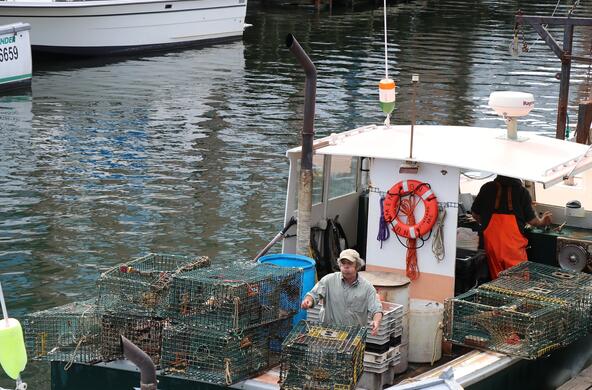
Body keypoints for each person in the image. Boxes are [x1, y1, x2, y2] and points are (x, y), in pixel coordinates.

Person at [471, 175, 552, 279]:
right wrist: (542, 222)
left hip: (492, 245)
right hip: (513, 248)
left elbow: (475, 213)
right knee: (518, 284)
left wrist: (486, 222)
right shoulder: (521, 192)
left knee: (497, 282)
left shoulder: (487, 188)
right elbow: (532, 221)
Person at [300, 249, 383, 335]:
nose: (346, 267)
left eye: (350, 263)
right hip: (329, 333)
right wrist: (308, 301)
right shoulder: (328, 280)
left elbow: (376, 309)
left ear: (357, 266)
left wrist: (376, 321)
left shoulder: (367, 288)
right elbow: (313, 295)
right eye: (343, 263)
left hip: (354, 337)